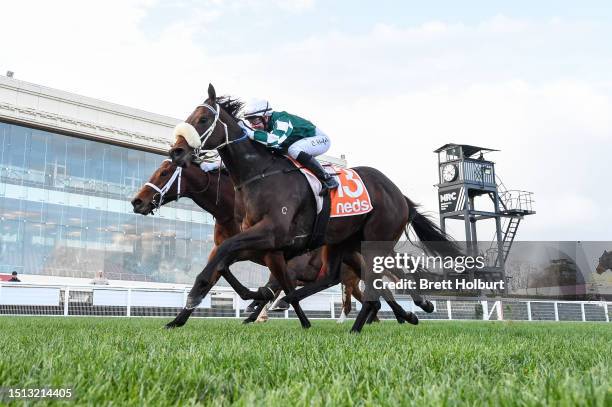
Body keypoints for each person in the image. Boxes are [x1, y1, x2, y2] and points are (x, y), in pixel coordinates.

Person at [240, 99, 339, 192]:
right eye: (250, 121)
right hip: (300, 143)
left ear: (266, 116)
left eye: (255, 121)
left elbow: (274, 140)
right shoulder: (267, 125)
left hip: (320, 140)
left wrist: (248, 132)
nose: (253, 126)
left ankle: (328, 179)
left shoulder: (282, 119)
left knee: (293, 149)